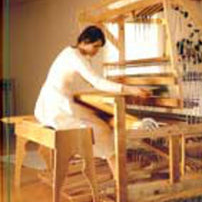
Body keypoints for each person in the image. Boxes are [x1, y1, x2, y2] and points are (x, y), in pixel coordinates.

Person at [34, 25, 150, 176]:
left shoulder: (71, 53)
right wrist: (131, 89)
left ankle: (116, 170)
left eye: (99, 47)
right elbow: (97, 82)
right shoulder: (74, 56)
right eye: (95, 46)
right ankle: (119, 176)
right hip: (55, 107)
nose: (97, 50)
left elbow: (91, 82)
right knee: (103, 129)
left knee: (100, 120)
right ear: (85, 41)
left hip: (52, 102)